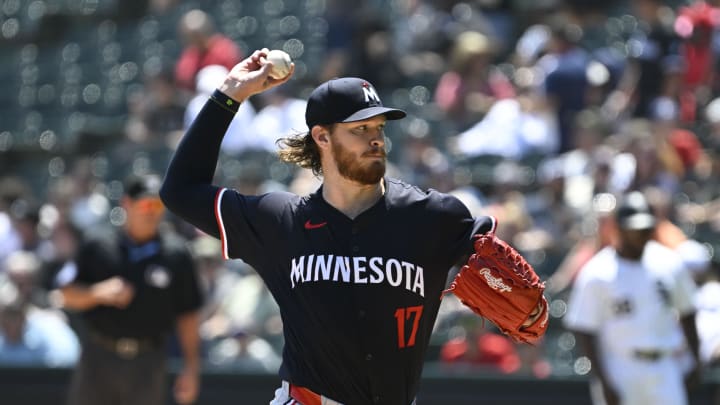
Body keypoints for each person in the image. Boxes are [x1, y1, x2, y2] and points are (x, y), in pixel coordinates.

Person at [160, 48, 546, 404]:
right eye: (359, 129)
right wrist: (230, 93)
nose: (375, 139)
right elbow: (180, 190)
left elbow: (505, 281)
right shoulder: (281, 220)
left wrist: (520, 300)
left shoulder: (433, 217)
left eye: (378, 127)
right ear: (322, 137)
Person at [54, 173, 203, 405]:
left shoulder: (176, 254)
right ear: (127, 204)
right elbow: (65, 294)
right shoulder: (97, 243)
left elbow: (188, 315)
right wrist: (97, 292)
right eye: (145, 204)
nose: (151, 211)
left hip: (148, 360)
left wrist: (191, 368)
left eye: (157, 205)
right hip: (99, 355)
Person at [563, 191, 700, 405]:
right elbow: (584, 330)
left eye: (645, 228)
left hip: (665, 365)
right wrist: (603, 382)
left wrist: (695, 360)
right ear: (619, 228)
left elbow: (688, 311)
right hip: (620, 366)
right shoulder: (597, 272)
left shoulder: (669, 263)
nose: (640, 234)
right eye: (634, 229)